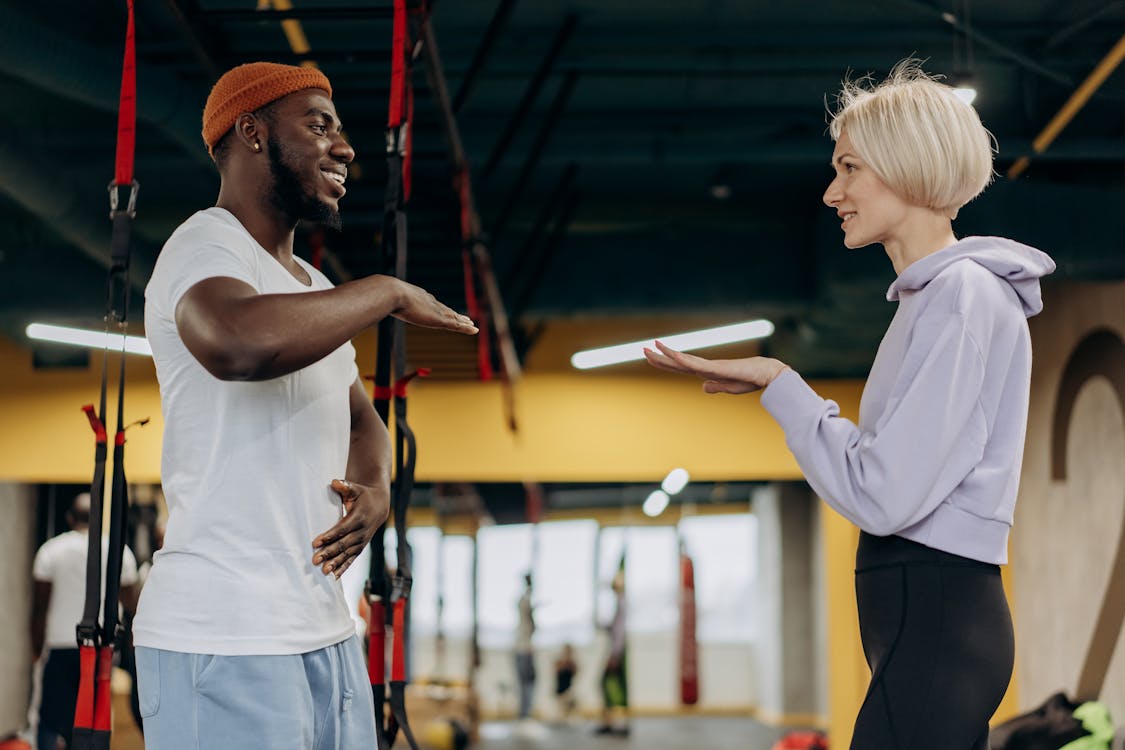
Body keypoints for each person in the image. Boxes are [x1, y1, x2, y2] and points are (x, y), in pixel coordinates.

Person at [645, 59, 1055, 750]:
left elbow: (885, 494)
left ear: (906, 165)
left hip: (936, 615)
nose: (832, 192)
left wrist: (782, 384)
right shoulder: (933, 300)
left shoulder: (963, 296)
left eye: (849, 168)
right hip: (926, 619)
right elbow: (887, 476)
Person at [131, 62, 477, 749]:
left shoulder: (314, 287)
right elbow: (235, 343)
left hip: (325, 632)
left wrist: (374, 489)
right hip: (223, 635)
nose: (343, 147)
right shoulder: (204, 246)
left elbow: (359, 420)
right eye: (319, 126)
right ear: (252, 133)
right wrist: (386, 290)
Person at [30, 492, 139, 750]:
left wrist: (36, 650)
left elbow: (40, 607)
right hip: (101, 650)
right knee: (94, 722)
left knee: (53, 721)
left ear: (70, 518)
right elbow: (132, 606)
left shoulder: (51, 551)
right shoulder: (119, 551)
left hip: (59, 646)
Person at [594, 568, 629, 737]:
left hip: (616, 652)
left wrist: (615, 655)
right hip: (615, 650)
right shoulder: (618, 602)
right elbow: (615, 629)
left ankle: (617, 723)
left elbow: (620, 632)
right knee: (607, 686)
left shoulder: (621, 603)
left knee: (611, 686)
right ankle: (609, 722)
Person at [514, 573, 536, 723]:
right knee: (527, 683)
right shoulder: (525, 601)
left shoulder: (524, 600)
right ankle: (524, 715)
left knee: (527, 683)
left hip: (523, 648)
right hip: (524, 649)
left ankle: (525, 714)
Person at [553, 643, 578, 723]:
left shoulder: (572, 662)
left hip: (568, 688)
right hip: (561, 688)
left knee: (569, 706)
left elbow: (575, 671)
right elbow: (556, 670)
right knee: (561, 707)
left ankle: (567, 718)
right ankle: (560, 719)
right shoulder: (560, 661)